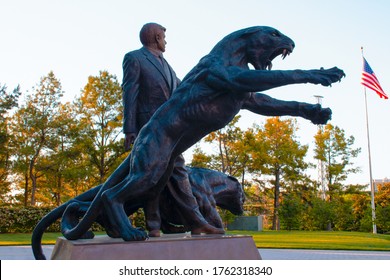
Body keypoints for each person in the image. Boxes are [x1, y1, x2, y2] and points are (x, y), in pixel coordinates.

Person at [121, 22, 224, 237]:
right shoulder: (135, 58)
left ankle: (160, 224)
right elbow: (130, 93)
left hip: (171, 128)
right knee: (167, 172)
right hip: (148, 127)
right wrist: (129, 128)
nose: (166, 41)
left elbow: (185, 88)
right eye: (164, 37)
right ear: (157, 38)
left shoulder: (167, 66)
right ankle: (187, 222)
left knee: (169, 173)